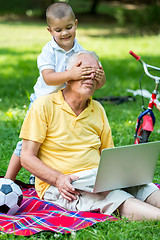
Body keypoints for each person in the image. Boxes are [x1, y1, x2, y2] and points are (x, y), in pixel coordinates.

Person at [19, 50, 160, 221]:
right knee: (112, 198)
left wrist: (122, 175)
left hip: (96, 177)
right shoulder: (44, 105)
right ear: (69, 75)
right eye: (84, 71)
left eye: (96, 72)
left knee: (144, 187)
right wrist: (58, 179)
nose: (91, 76)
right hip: (64, 184)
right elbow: (26, 157)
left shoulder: (98, 109)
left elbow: (109, 154)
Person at [4, 2, 105, 182]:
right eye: (58, 30)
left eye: (69, 27)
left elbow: (100, 84)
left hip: (65, 103)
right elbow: (48, 78)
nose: (65, 33)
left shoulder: (81, 52)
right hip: (42, 101)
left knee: (56, 142)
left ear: (76, 24)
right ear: (50, 31)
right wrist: (71, 74)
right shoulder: (48, 52)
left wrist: (100, 76)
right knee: (28, 143)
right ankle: (7, 181)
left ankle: (40, 178)